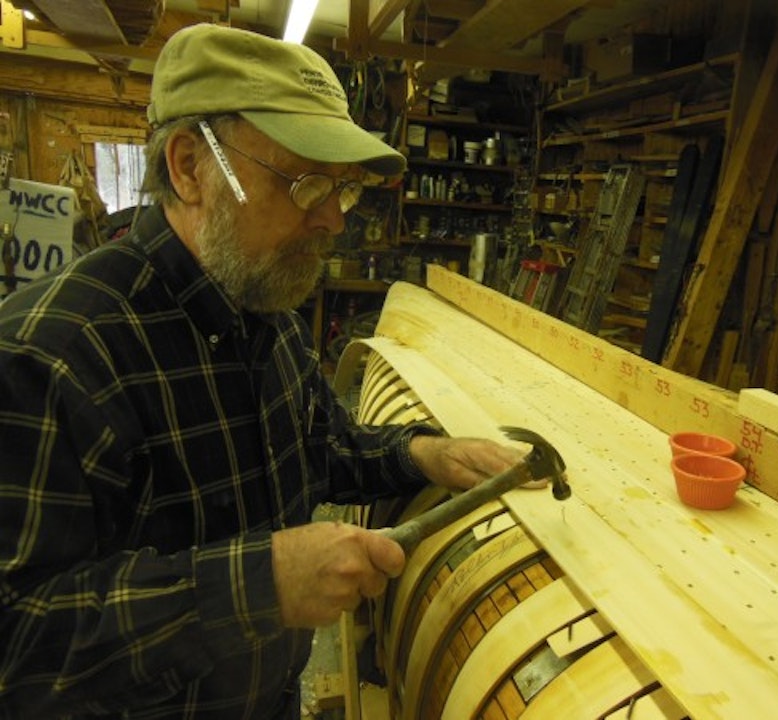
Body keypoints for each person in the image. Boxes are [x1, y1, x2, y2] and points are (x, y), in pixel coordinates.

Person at [0, 24, 524, 719]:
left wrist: (424, 453)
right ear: (190, 168)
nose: (334, 221)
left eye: (344, 189)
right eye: (306, 183)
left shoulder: (266, 315)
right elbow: (18, 641)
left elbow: (318, 448)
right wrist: (257, 586)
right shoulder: (50, 355)